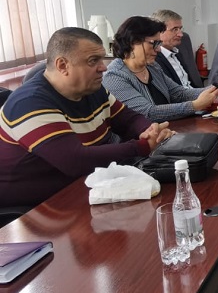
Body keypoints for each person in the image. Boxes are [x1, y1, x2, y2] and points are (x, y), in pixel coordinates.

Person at [0, 27, 173, 208]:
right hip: (33, 208)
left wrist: (150, 130)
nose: (103, 67)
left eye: (101, 59)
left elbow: (128, 119)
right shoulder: (29, 102)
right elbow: (75, 160)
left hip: (84, 188)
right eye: (93, 61)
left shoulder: (92, 90)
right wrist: (141, 146)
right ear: (62, 65)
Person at [103, 16, 218, 122]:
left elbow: (179, 94)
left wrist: (216, 87)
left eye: (159, 43)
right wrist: (195, 106)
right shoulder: (114, 76)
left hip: (168, 131)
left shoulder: (152, 67)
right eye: (154, 43)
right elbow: (148, 113)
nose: (159, 49)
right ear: (133, 42)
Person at [151, 9, 203, 88]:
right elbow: (172, 92)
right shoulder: (153, 59)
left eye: (180, 29)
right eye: (175, 29)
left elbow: (189, 84)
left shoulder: (177, 52)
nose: (180, 34)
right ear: (159, 31)